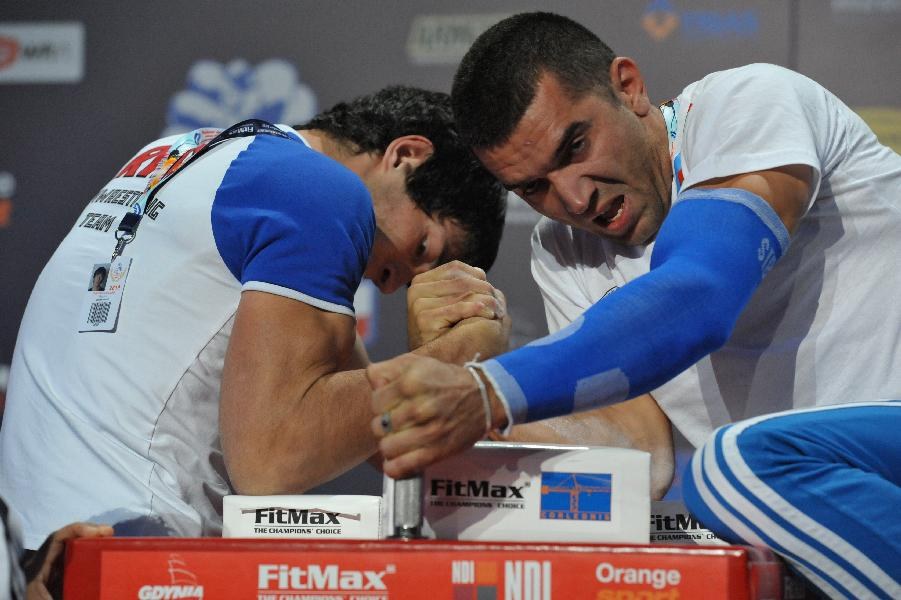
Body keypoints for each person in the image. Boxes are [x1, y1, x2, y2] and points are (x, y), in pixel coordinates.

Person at [366, 12, 901, 598]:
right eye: (534, 188)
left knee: (732, 469)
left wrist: (487, 390)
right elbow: (639, 455)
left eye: (575, 146)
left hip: (869, 455)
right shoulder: (562, 248)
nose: (575, 198)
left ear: (628, 86)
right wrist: (445, 390)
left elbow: (699, 295)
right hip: (822, 512)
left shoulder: (744, 104)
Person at [0, 85, 510, 549]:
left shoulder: (194, 152)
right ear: (406, 156)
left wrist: (436, 367)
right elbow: (271, 460)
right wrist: (465, 350)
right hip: (124, 547)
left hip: (34, 549)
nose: (397, 285)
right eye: (423, 248)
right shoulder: (318, 190)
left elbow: (380, 430)